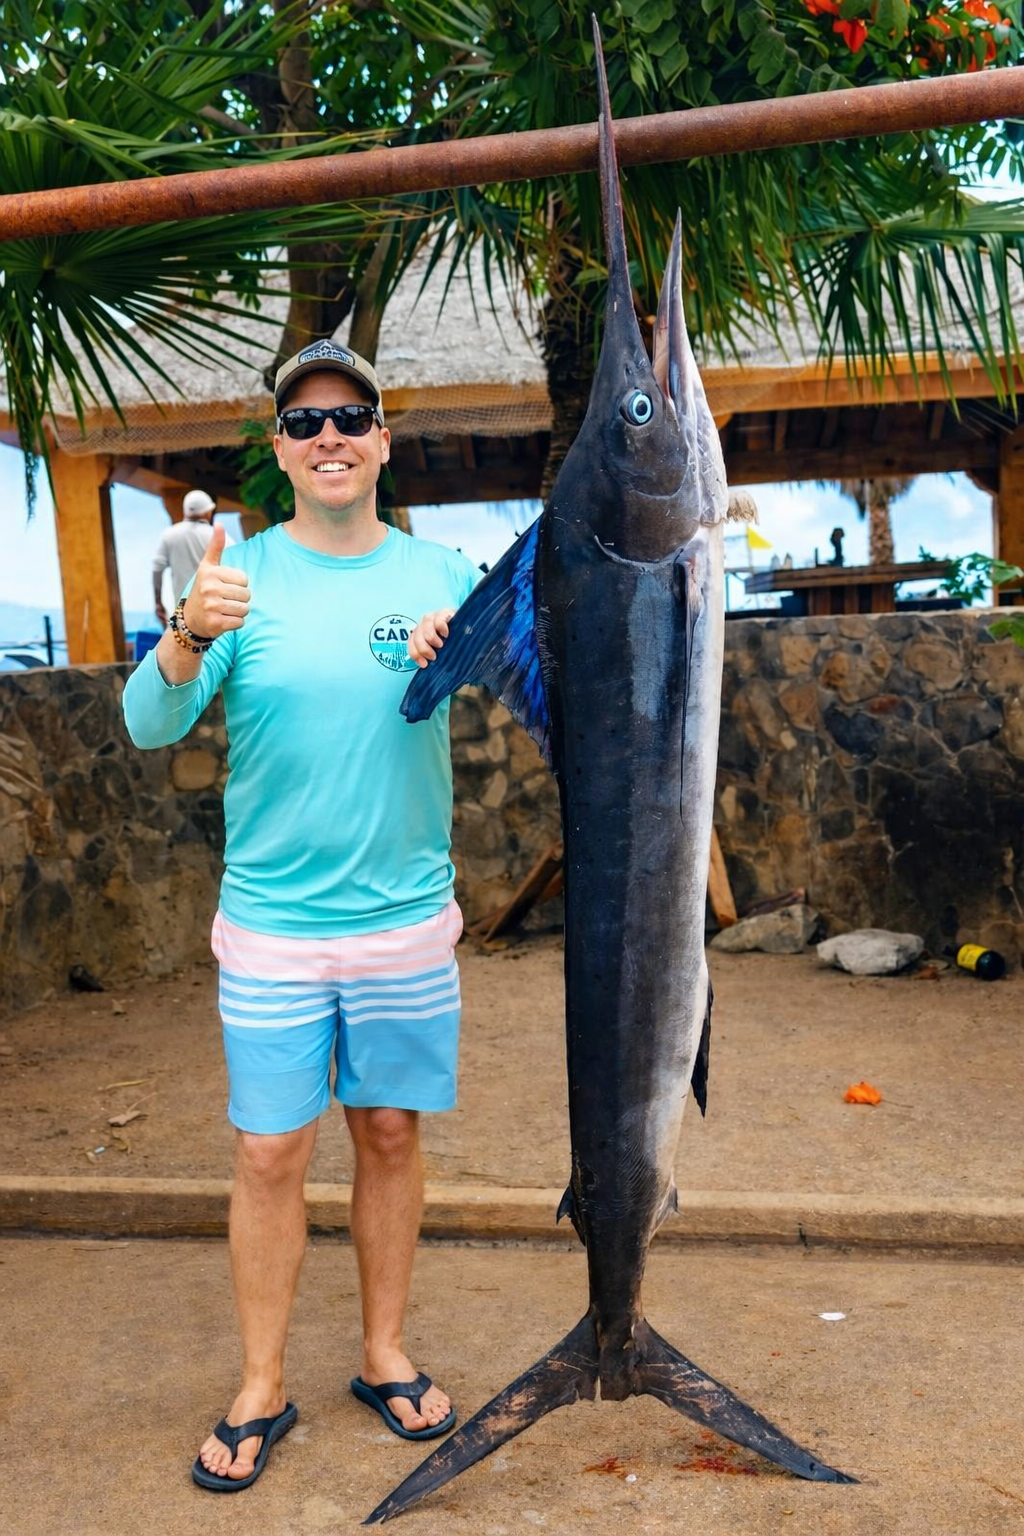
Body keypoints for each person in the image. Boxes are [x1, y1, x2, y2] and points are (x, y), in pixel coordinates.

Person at [122, 339, 478, 1491]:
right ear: (277, 450)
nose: (329, 435)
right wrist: (187, 632)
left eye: (351, 416)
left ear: (384, 437)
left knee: (387, 1134)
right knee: (269, 1151)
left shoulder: (444, 572)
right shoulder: (238, 577)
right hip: (273, 927)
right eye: (304, 421)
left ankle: (381, 1353)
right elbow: (146, 725)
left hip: (405, 923)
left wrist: (453, 654)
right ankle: (261, 1382)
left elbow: (532, 684)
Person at [152, 488, 222, 628]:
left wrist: (158, 602)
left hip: (183, 616)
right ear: (208, 512)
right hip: (214, 613)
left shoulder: (169, 535)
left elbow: (156, 569)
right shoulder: (218, 536)